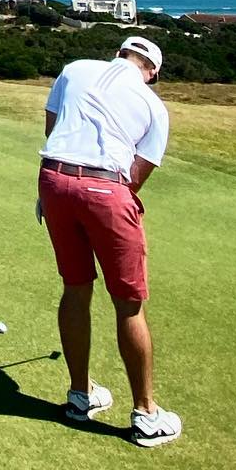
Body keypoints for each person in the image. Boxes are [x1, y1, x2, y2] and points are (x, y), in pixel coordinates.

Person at [36, 34, 181, 448]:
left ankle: (80, 396)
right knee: (128, 304)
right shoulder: (154, 106)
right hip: (105, 189)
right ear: (152, 73)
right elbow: (135, 177)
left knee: (75, 288)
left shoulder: (75, 69)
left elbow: (53, 129)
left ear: (118, 54)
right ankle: (146, 416)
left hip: (52, 180)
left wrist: (54, 191)